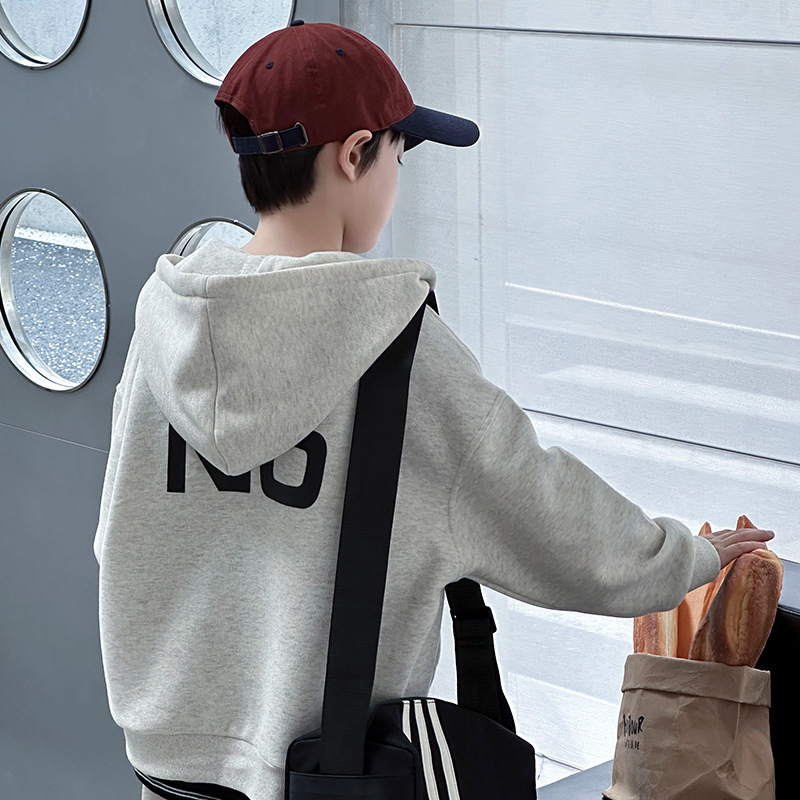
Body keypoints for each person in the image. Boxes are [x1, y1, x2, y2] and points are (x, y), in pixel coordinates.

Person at [91, 20, 776, 800]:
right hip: (329, 777)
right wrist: (687, 557)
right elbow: (548, 518)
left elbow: (119, 540)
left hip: (164, 777)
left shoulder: (168, 325)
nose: (396, 179)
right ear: (354, 154)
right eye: (399, 156)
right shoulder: (400, 351)